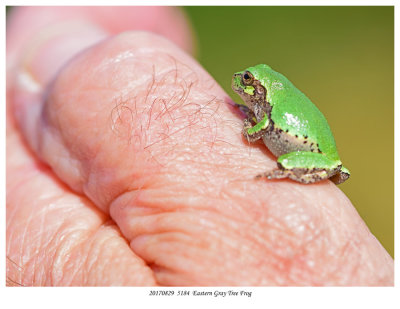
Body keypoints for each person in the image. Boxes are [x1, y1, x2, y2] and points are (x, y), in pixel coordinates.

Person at [6, 6, 393, 286]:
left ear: (260, 92)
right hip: (320, 146)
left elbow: (254, 133)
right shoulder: (272, 100)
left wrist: (252, 125)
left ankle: (286, 170)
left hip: (304, 149)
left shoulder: (265, 112)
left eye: (248, 84)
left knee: (286, 156)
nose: (240, 85)